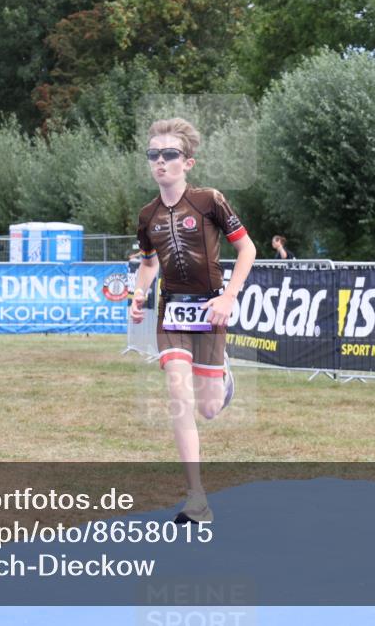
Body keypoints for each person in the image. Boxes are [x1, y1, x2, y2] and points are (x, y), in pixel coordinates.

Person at [130, 118, 256, 524]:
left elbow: (247, 249)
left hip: (210, 309)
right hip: (172, 312)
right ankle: (196, 498)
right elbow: (149, 264)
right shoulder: (147, 214)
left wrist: (228, 296)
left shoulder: (209, 201)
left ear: (188, 163)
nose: (160, 162)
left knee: (209, 408)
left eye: (169, 155)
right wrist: (138, 294)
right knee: (178, 394)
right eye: (154, 155)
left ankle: (223, 379)